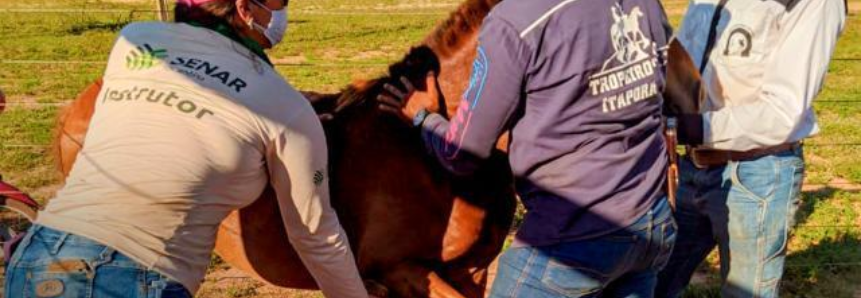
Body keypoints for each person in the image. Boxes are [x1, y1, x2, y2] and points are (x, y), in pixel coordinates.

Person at [3, 0, 373, 297]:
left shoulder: (136, 39)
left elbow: (201, 93)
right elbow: (316, 237)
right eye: (278, 3)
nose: (282, 13)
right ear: (245, 9)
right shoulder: (286, 108)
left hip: (38, 255)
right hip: (136, 277)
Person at [378, 0, 676, 296]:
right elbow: (670, 96)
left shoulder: (518, 20)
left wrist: (423, 117)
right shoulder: (646, 4)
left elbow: (462, 153)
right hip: (650, 221)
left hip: (574, 235)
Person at [656, 0, 847, 297]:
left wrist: (682, 128)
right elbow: (683, 65)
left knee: (744, 293)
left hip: (756, 173)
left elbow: (782, 111)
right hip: (690, 166)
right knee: (652, 279)